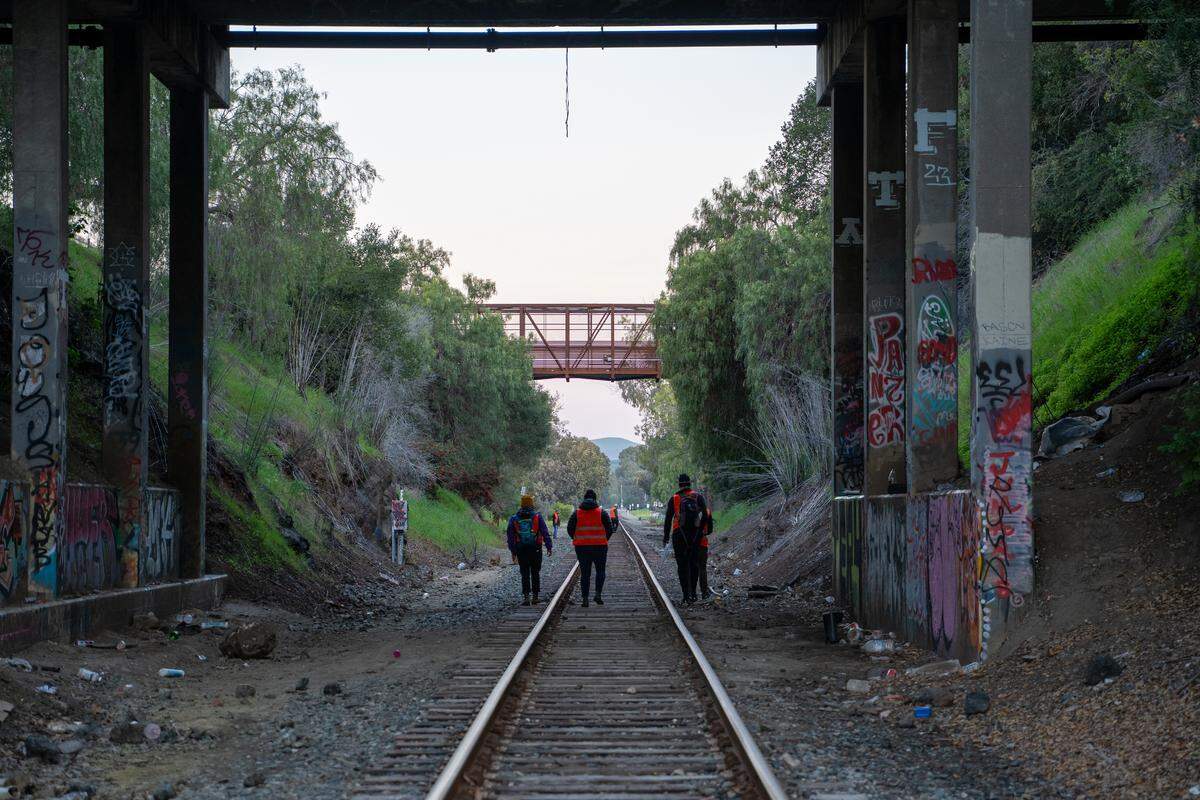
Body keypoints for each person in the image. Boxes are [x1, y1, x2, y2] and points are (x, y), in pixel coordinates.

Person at [662, 473, 708, 604]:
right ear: (689, 483)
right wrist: (700, 532)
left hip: (679, 535)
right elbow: (705, 515)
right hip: (695, 535)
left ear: (679, 484)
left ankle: (685, 595)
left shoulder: (674, 498)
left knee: (682, 565)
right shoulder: (698, 497)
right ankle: (693, 593)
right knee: (694, 564)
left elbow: (668, 519)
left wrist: (665, 537)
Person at [567, 489, 614, 608]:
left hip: (582, 548)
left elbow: (569, 528)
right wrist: (604, 539)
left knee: (585, 573)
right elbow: (610, 528)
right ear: (595, 499)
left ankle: (585, 599)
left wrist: (577, 538)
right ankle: (598, 594)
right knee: (600, 571)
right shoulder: (601, 512)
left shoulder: (577, 513)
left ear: (584, 498)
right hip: (600, 547)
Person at [506, 494, 552, 606]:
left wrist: (513, 551)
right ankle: (535, 597)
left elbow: (510, 536)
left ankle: (526, 597)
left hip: (521, 549)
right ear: (532, 504)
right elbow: (545, 532)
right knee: (535, 572)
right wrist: (549, 546)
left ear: (521, 504)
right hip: (535, 548)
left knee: (524, 573)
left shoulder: (514, 518)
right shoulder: (537, 516)